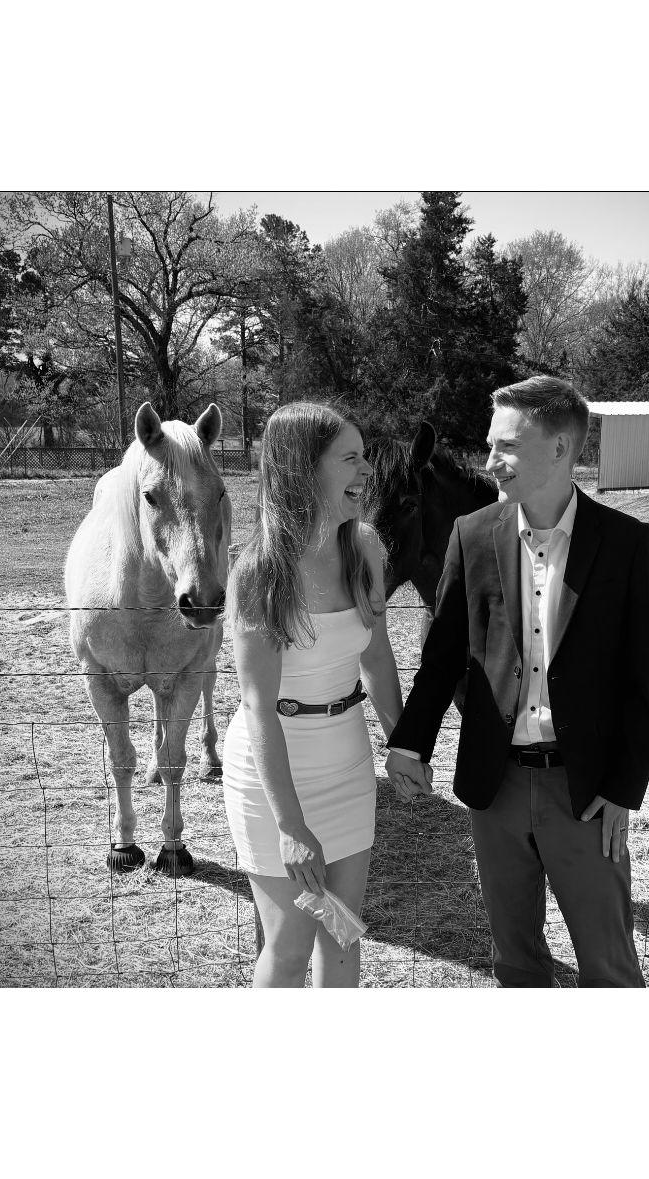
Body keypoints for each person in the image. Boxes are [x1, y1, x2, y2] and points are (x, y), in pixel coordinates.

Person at [386, 375, 649, 987]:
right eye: (491, 445)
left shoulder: (626, 544)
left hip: (585, 790)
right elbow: (443, 656)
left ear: (560, 448)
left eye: (507, 446)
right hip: (496, 784)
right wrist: (410, 742)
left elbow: (638, 678)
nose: (490, 462)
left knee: (608, 965)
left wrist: (622, 788)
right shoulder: (473, 533)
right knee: (514, 960)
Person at [223, 402, 411, 988]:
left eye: (364, 456)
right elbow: (258, 707)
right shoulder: (259, 573)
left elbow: (376, 658)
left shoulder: (366, 549)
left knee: (343, 933)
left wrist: (401, 745)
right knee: (289, 945)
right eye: (350, 458)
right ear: (304, 469)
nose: (366, 470)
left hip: (348, 765)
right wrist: (290, 826)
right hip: (272, 779)